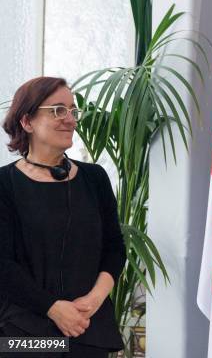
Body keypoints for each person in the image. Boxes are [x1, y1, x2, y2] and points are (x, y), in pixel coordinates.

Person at [0, 77, 126, 357]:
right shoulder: (4, 184)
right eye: (57, 110)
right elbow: (3, 265)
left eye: (72, 110)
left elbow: (114, 248)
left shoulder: (95, 178)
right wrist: (54, 308)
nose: (70, 119)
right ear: (27, 122)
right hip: (24, 333)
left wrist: (92, 301)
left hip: (87, 327)